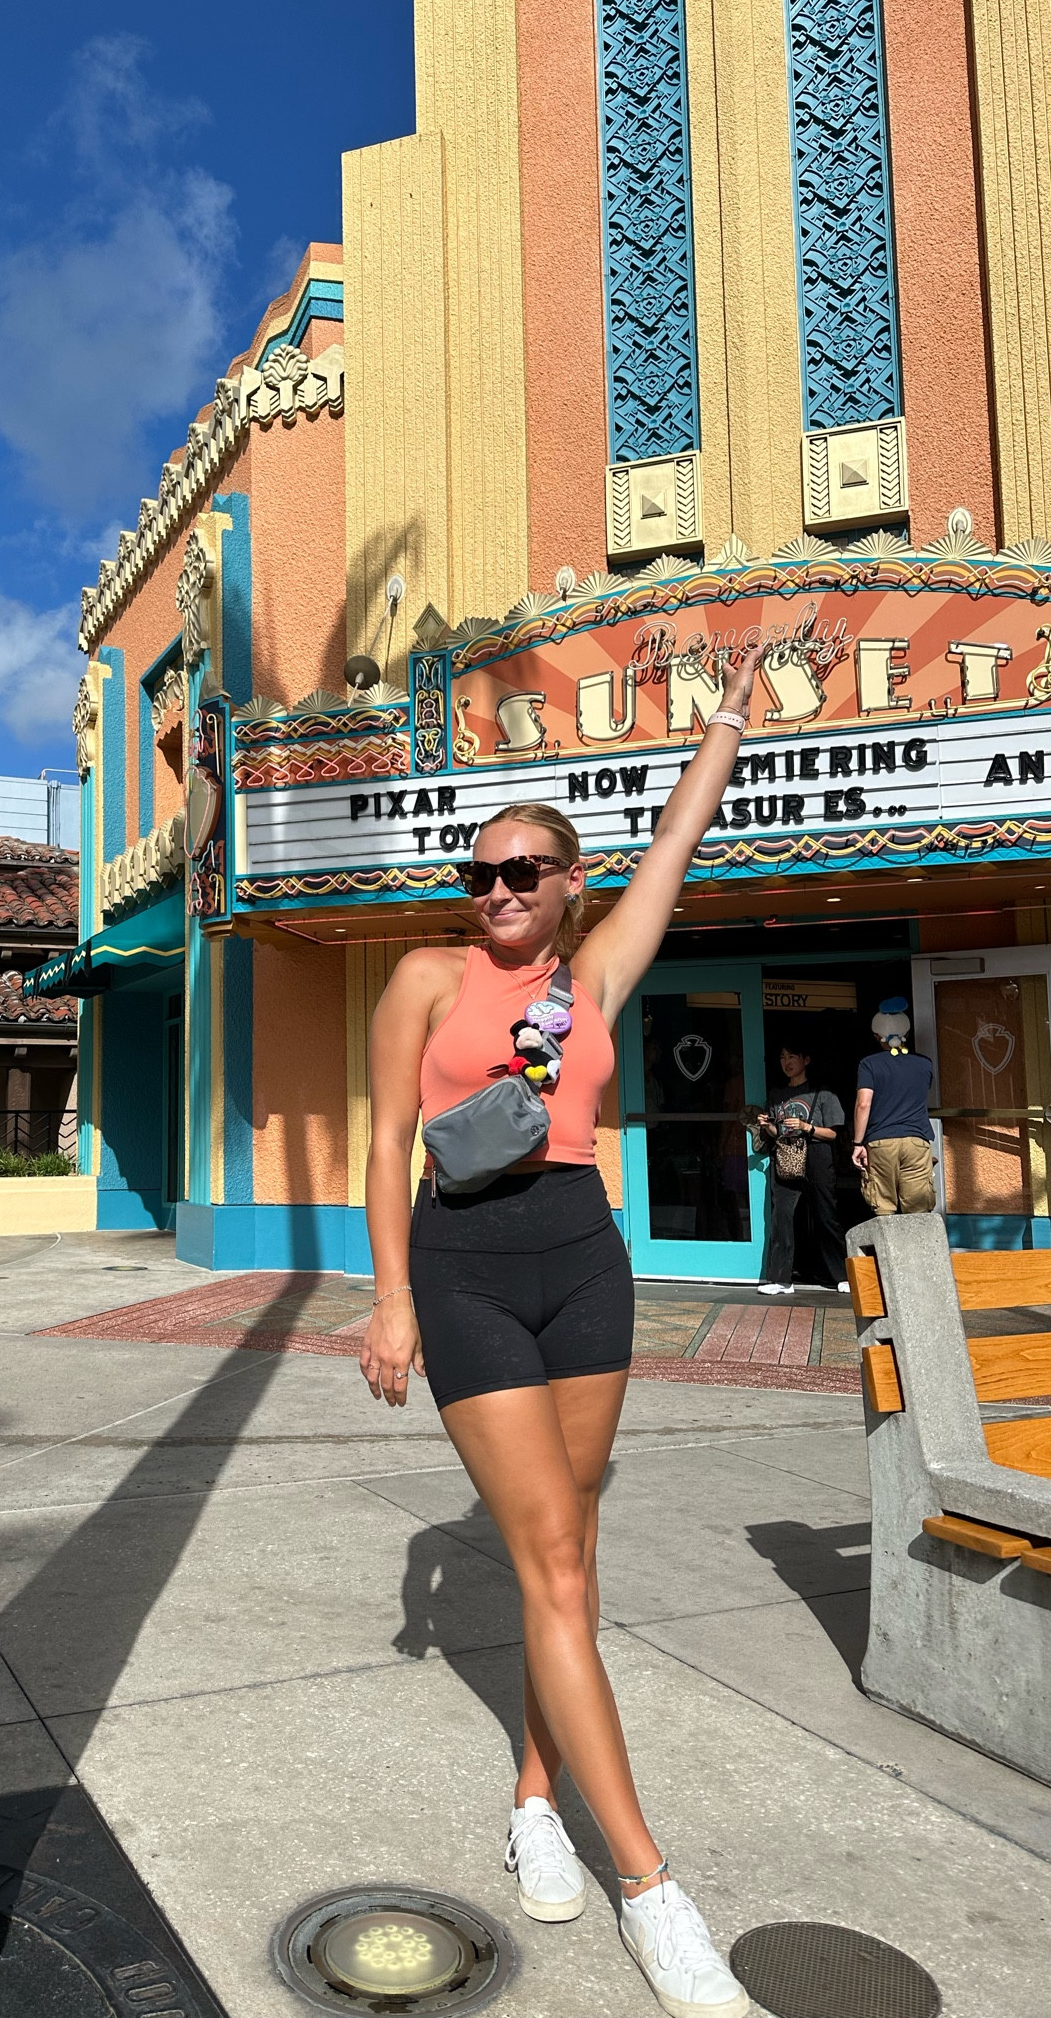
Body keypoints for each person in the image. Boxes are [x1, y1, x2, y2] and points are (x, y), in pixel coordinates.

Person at [361, 644, 764, 2018]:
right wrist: (392, 1299)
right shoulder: (424, 977)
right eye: (479, 872)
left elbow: (677, 850)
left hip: (586, 1261)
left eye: (521, 870)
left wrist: (723, 727)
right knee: (549, 1557)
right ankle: (653, 1890)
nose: (495, 890)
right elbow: (386, 1145)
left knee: (569, 1556)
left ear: (566, 881)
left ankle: (535, 1799)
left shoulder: (589, 982)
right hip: (464, 1264)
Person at [753, 1043, 847, 1296]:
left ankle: (842, 1275)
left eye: (792, 1056)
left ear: (806, 1060)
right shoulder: (777, 1094)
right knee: (782, 1216)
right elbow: (777, 1133)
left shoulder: (823, 1092)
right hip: (786, 1155)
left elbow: (833, 1134)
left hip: (817, 1154)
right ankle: (781, 1279)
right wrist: (767, 1126)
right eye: (782, 1057)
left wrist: (807, 1127)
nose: (787, 1062)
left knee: (825, 1215)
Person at [852, 997, 936, 1215]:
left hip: (881, 1142)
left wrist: (858, 1143)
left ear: (876, 1035)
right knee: (918, 1211)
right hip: (916, 1141)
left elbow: (863, 1104)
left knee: (883, 1208)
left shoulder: (869, 1064)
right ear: (907, 1033)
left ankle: (887, 1239)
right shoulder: (924, 1064)